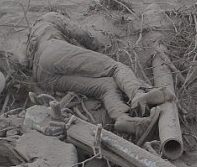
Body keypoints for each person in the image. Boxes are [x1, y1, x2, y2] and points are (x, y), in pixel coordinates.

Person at [22, 12, 170, 136]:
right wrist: (97, 46)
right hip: (54, 50)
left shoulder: (29, 40)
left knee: (105, 86)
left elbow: (22, 62)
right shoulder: (50, 16)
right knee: (115, 67)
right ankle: (137, 94)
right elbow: (80, 33)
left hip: (42, 77)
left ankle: (122, 118)